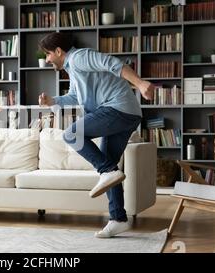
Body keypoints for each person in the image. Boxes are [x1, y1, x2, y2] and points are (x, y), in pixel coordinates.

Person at [38, 32, 154, 238]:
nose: (47, 59)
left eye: (47, 54)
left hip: (117, 109)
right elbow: (75, 96)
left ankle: (107, 171)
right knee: (110, 165)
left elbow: (113, 64)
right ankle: (118, 219)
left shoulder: (79, 57)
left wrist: (140, 83)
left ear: (58, 51)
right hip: (127, 113)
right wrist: (52, 101)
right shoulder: (72, 68)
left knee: (72, 134)